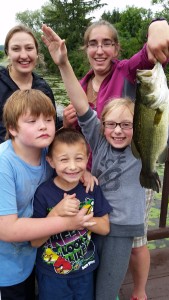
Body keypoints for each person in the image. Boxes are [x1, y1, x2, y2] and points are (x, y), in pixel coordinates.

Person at [41, 23, 169, 300]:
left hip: (122, 227)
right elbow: (84, 109)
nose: (119, 130)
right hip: (94, 219)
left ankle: (138, 290)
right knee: (88, 282)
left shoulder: (139, 146)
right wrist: (63, 64)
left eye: (126, 124)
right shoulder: (98, 135)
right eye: (111, 124)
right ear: (101, 125)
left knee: (106, 291)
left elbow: (148, 56)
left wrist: (159, 26)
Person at [0, 89, 95, 300]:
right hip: (5, 269)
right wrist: (68, 222)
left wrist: (83, 171)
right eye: (32, 121)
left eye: (49, 119)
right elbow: (6, 229)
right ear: (12, 128)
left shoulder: (46, 154)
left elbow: (68, 159)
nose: (43, 126)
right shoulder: (4, 165)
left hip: (36, 258)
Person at [31, 127, 111, 300]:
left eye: (79, 159)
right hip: (51, 273)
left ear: (88, 159)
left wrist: (80, 220)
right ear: (51, 161)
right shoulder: (43, 193)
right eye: (64, 160)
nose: (73, 166)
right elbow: (35, 241)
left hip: (85, 270)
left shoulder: (91, 188)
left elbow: (105, 227)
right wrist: (57, 213)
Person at [0, 24, 62, 144]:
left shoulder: (44, 89)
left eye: (29, 48)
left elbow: (52, 126)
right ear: (8, 52)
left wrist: (67, 123)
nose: (24, 55)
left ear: (37, 52)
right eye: (16, 49)